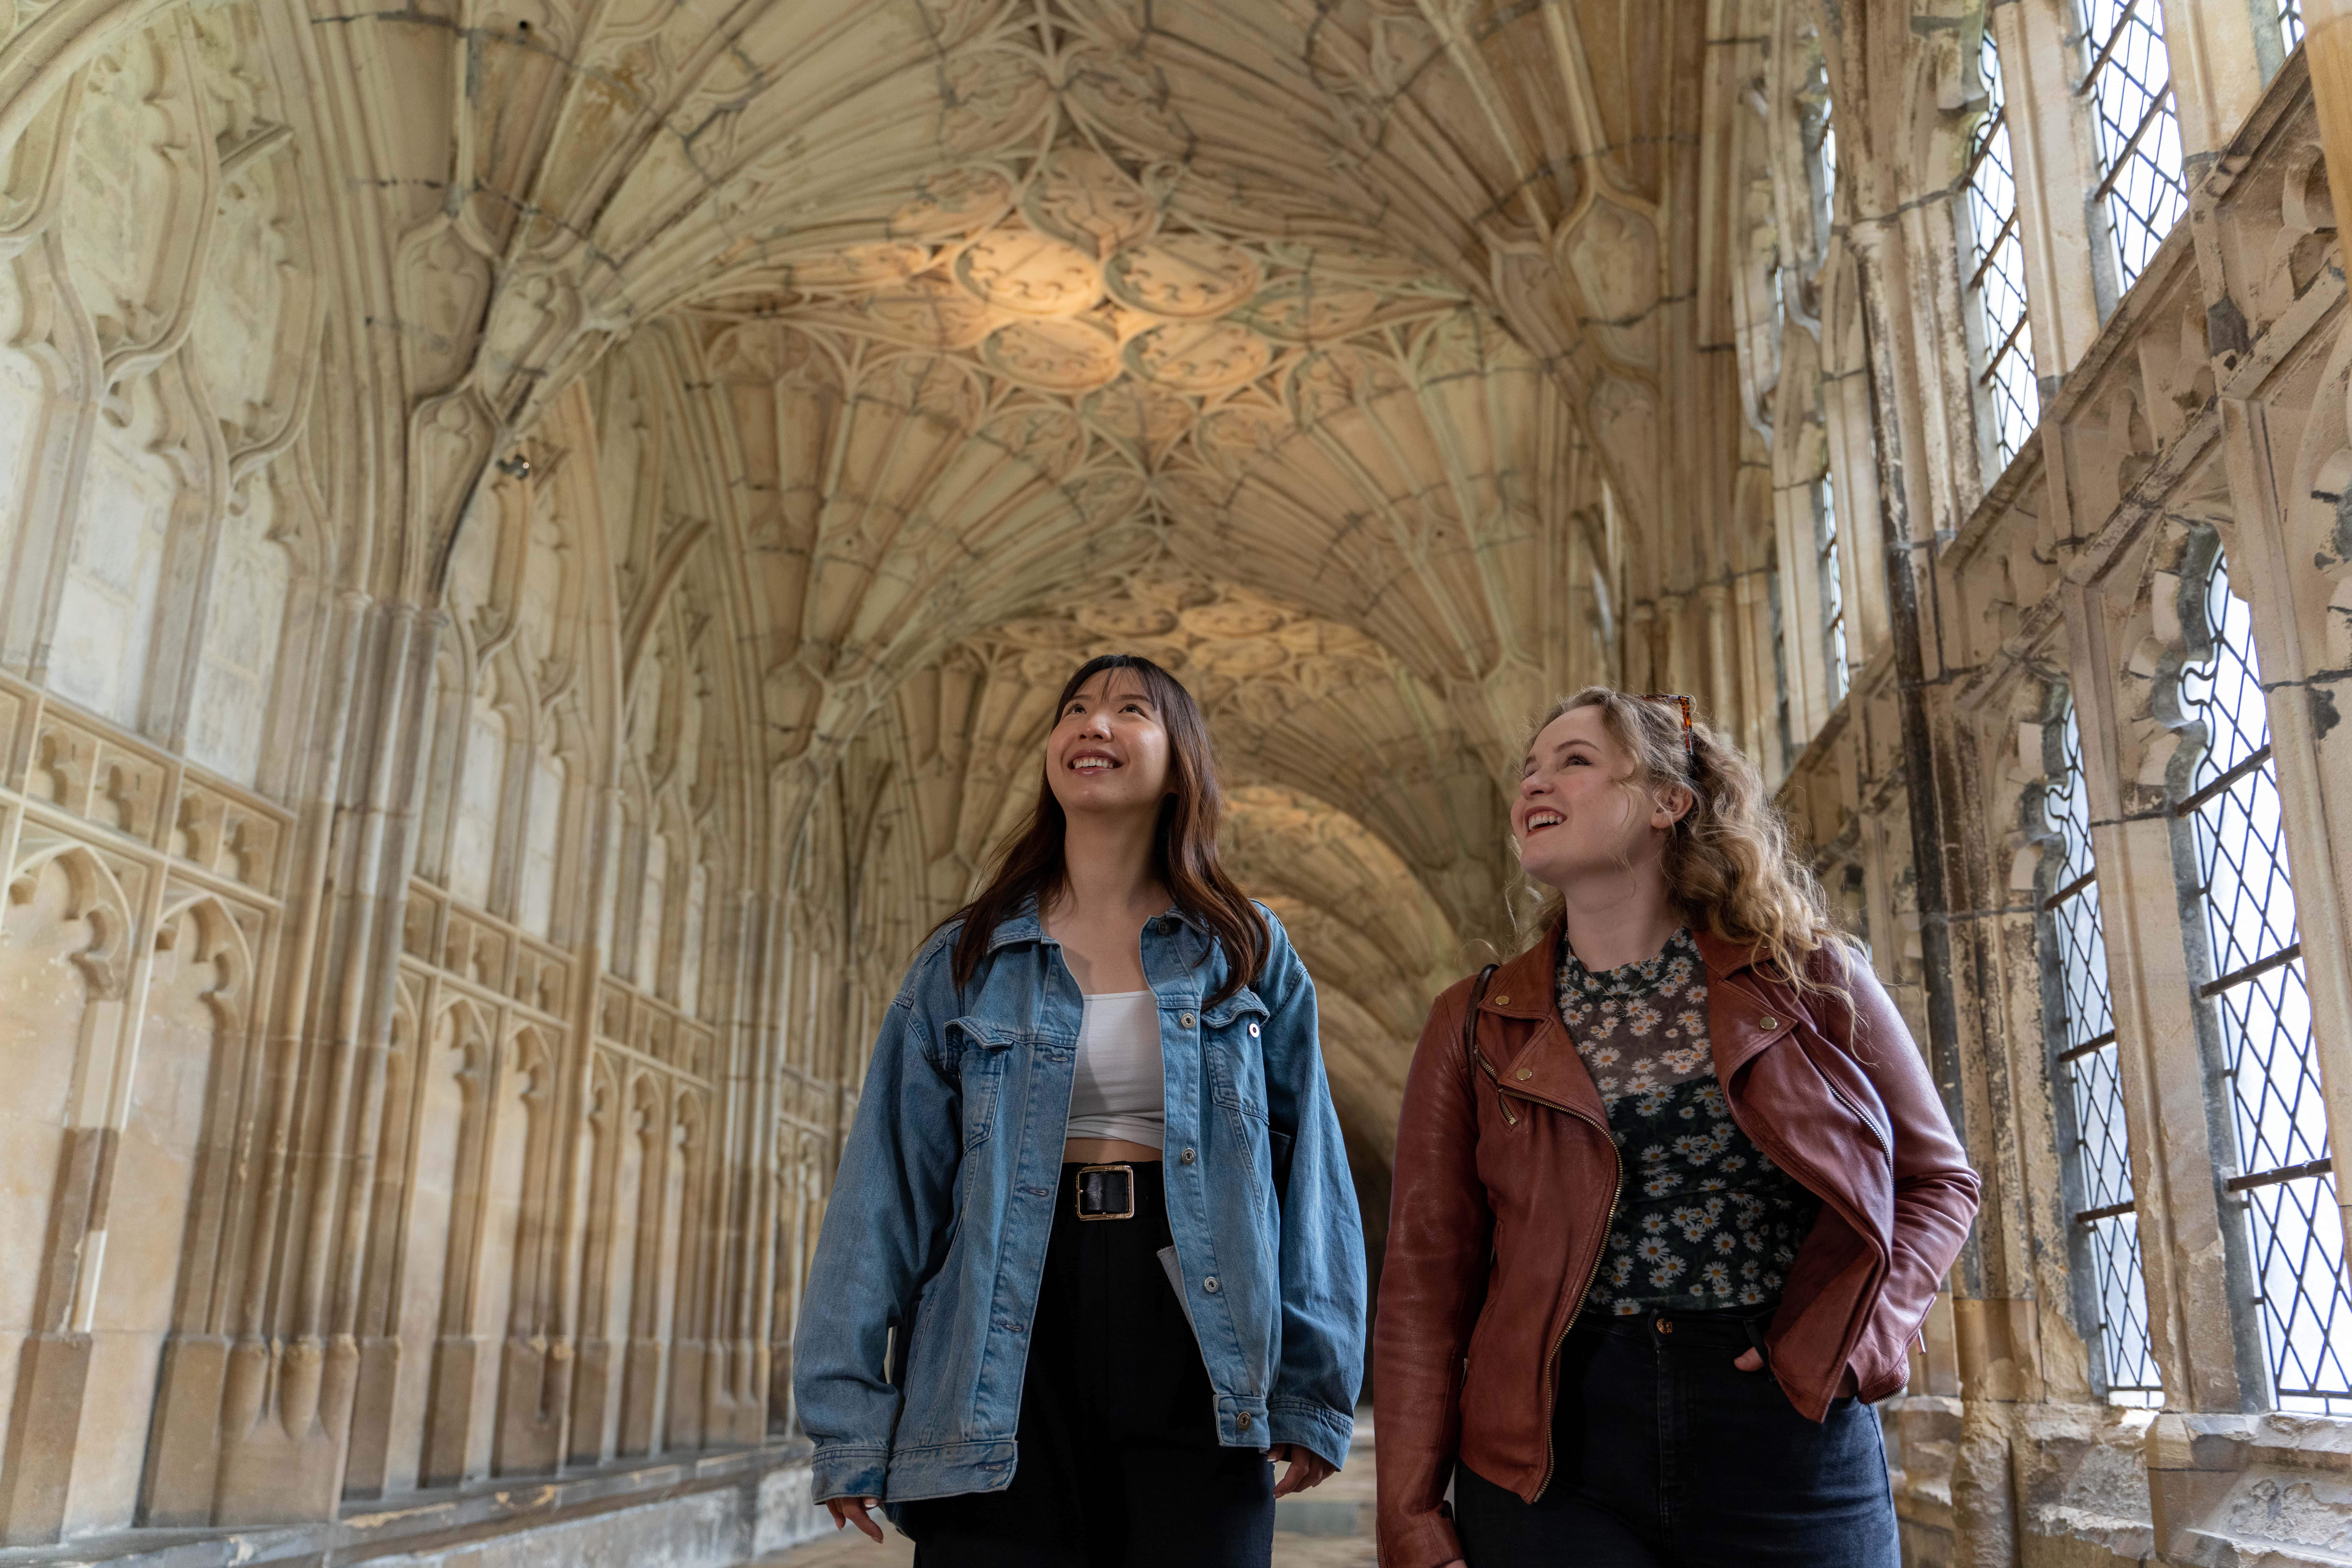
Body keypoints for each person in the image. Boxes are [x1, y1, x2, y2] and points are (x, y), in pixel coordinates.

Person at [1375, 688, 1980, 1568]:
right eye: (1528, 771)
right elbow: (1424, 1284)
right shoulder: (1474, 1022)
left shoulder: (1809, 980)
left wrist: (1857, 1342)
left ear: (1670, 802)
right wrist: (1410, 1518)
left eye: (1574, 761)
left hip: (1784, 1424)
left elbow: (1939, 1182)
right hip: (1550, 1448)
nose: (1536, 785)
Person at [794, 653, 1365, 1567]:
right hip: (1001, 1328)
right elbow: (885, 1189)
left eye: (1131, 710)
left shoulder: (1246, 949)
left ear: (1180, 762)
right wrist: (849, 1414)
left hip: (1194, 1321)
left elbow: (1312, 1180)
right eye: (1075, 709)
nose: (1093, 725)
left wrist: (1313, 1385)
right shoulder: (968, 957)